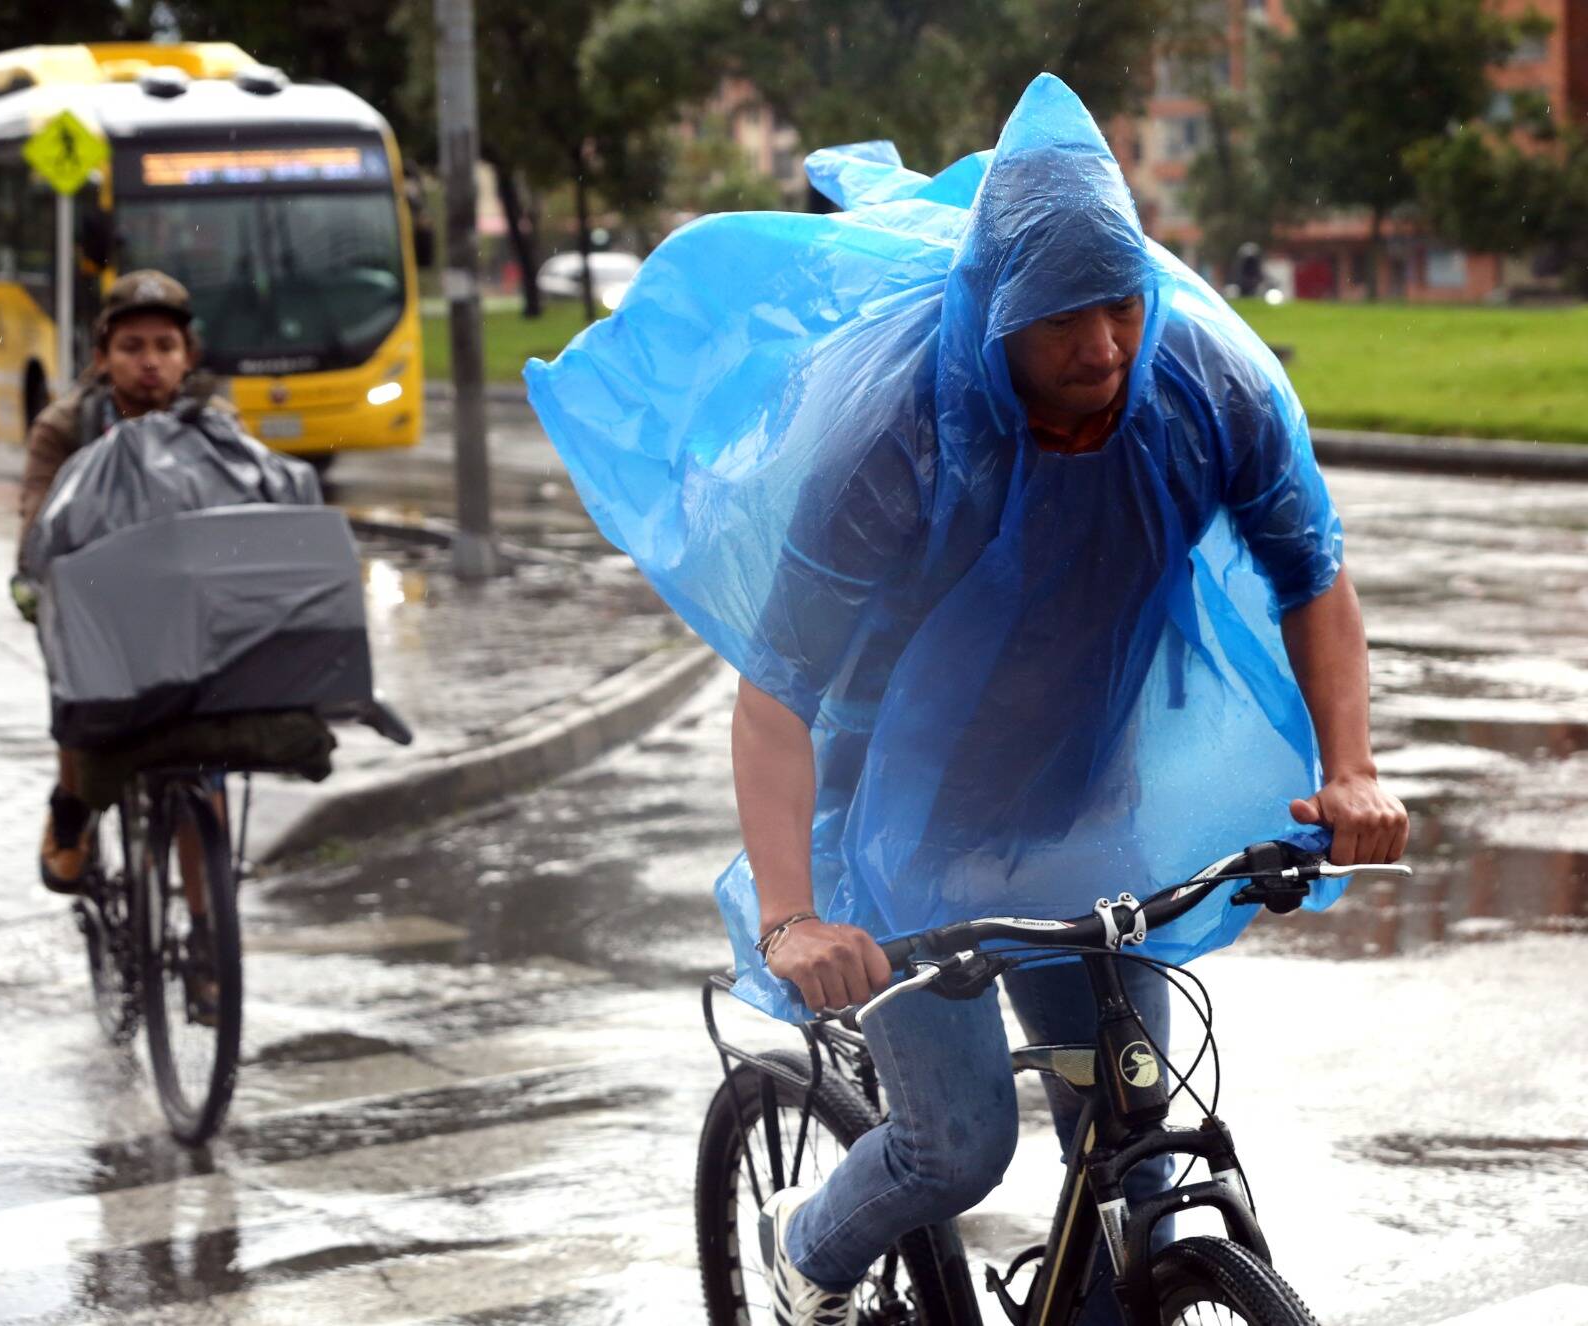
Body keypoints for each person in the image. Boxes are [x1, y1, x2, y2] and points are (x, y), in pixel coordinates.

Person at [526, 76, 1407, 1326]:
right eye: (1058, 320)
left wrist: (1352, 766)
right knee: (958, 1148)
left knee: (1135, 1149)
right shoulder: (892, 439)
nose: (1101, 345)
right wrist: (792, 921)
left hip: (1078, 808)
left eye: (1119, 302)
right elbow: (776, 694)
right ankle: (807, 1252)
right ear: (994, 314)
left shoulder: (1209, 385)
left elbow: (1310, 573)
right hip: (894, 830)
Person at [12, 270, 240, 894]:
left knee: (208, 778)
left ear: (187, 356)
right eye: (131, 347)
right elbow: (37, 530)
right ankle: (71, 811)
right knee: (75, 693)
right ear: (102, 356)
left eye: (164, 347)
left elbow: (249, 512)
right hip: (98, 609)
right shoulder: (66, 426)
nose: (149, 363)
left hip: (189, 611)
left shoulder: (214, 421)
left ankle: (206, 940)